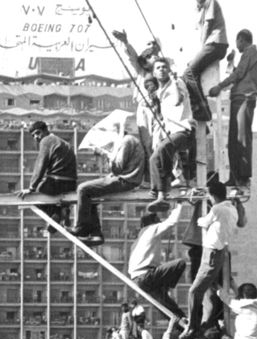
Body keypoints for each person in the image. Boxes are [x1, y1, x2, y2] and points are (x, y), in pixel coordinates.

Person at [70, 118, 145, 242]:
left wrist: (106, 154)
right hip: (129, 178)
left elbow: (118, 168)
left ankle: (81, 227)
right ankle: (96, 233)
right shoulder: (130, 140)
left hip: (126, 180)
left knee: (83, 189)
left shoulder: (126, 142)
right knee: (90, 196)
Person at [184, 179, 239, 336]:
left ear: (213, 195)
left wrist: (204, 212)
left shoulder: (216, 209)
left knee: (195, 290)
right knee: (214, 286)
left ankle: (193, 326)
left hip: (211, 253)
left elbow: (202, 222)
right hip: (218, 251)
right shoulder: (231, 208)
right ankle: (213, 320)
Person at [208, 30, 257, 188]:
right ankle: (235, 175)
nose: (236, 45)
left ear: (241, 40)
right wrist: (231, 62)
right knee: (233, 140)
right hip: (239, 98)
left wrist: (219, 86)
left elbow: (238, 74)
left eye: (237, 42)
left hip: (244, 98)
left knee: (240, 138)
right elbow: (240, 73)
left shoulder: (251, 52)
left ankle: (243, 177)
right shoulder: (250, 54)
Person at [127, 203, 187, 319]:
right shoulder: (151, 229)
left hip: (138, 280)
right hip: (146, 276)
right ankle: (165, 287)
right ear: (153, 222)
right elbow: (171, 222)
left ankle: (181, 325)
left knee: (167, 307)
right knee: (180, 263)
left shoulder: (137, 241)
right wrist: (179, 205)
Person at [149, 59, 194, 201]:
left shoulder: (177, 83)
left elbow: (178, 100)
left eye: (164, 67)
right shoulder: (159, 93)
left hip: (185, 131)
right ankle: (157, 192)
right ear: (154, 73)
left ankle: (162, 192)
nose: (162, 69)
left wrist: (175, 82)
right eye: (158, 68)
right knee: (154, 158)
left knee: (163, 148)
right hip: (172, 133)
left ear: (168, 70)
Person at [18, 121, 76, 225]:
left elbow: (40, 164)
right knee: (51, 197)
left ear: (46, 130)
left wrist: (31, 187)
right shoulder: (64, 143)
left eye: (38, 133)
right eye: (33, 136)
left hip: (56, 183)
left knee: (34, 196)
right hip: (71, 184)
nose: (36, 137)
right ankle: (61, 212)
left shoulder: (46, 141)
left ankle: (56, 215)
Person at [183, 0, 228, 121]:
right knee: (191, 70)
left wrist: (201, 49)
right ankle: (200, 108)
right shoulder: (201, 7)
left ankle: (202, 110)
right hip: (214, 44)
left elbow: (207, 26)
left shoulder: (210, 1)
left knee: (189, 73)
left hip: (215, 43)